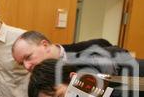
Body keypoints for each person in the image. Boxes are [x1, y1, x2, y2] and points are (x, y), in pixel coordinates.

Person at [11, 30, 140, 76]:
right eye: (22, 64)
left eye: (28, 57)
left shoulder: (95, 48)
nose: (27, 67)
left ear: (45, 45)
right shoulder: (43, 77)